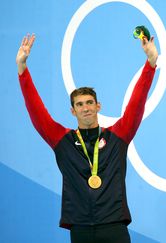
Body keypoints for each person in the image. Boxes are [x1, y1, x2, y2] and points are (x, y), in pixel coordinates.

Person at [16, 33, 158, 243]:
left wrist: (151, 64)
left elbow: (136, 105)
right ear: (73, 111)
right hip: (80, 229)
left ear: (98, 106)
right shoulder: (62, 140)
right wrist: (22, 69)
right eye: (80, 104)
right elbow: (37, 112)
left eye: (90, 102)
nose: (86, 108)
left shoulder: (117, 136)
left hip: (114, 226)